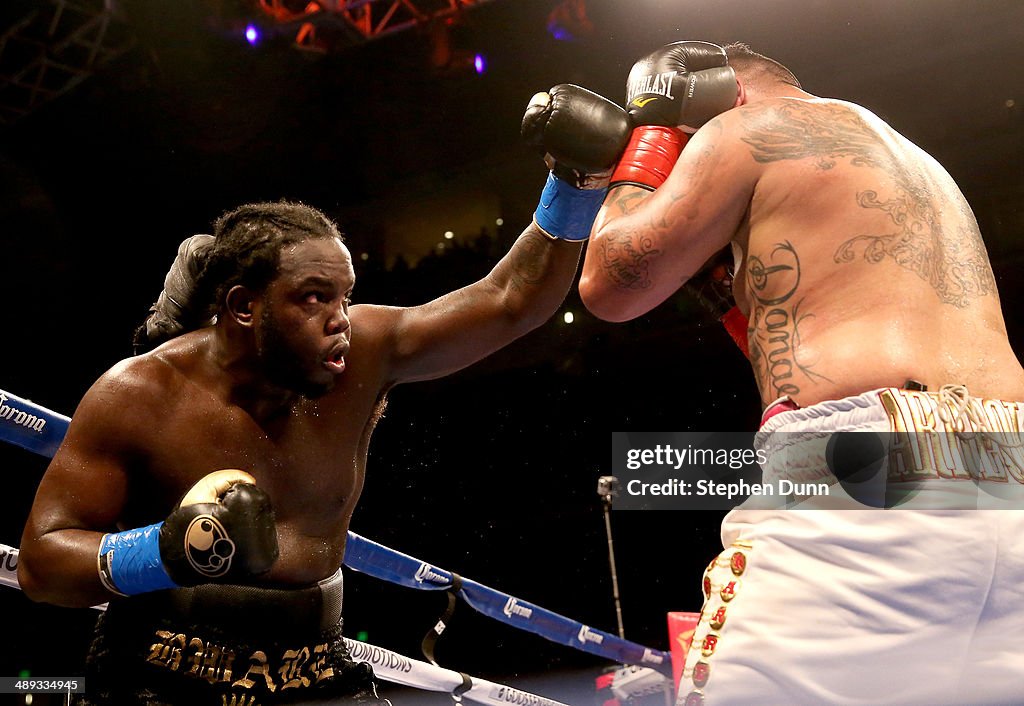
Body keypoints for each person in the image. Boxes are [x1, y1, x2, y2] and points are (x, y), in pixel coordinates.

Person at [17, 83, 630, 705]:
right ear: (244, 307)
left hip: (314, 669)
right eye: (314, 297)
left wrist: (577, 185)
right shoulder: (141, 394)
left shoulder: (364, 349)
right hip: (162, 672)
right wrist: (166, 551)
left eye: (345, 296)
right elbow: (42, 563)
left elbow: (508, 302)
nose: (341, 318)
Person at [578, 41, 1024, 705]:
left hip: (869, 478)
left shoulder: (743, 128)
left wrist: (647, 145)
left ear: (711, 96)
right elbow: (813, 336)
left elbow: (609, 284)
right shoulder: (911, 160)